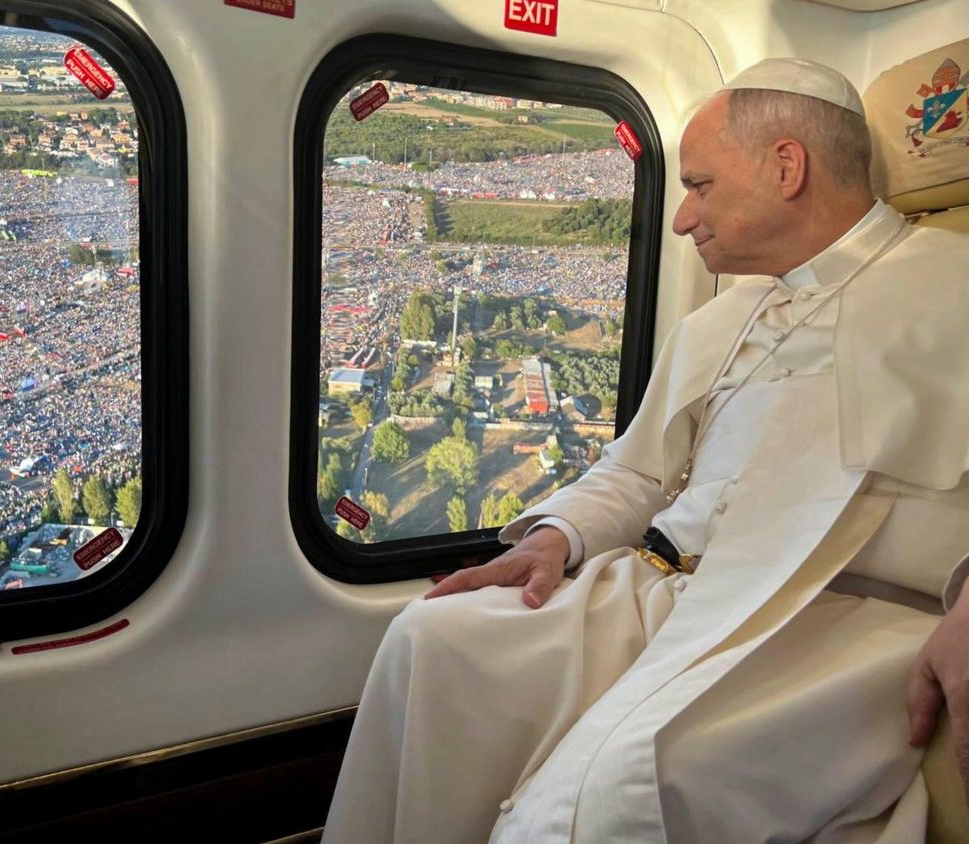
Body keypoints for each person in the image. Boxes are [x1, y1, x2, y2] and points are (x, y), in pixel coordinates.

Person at [322, 57, 969, 843]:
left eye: (700, 187)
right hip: (662, 591)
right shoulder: (722, 319)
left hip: (821, 627)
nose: (683, 219)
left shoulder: (957, 287)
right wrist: (558, 537)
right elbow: (637, 470)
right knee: (429, 643)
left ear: (786, 167)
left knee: (604, 800)